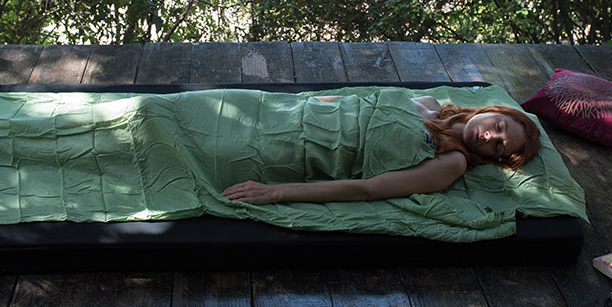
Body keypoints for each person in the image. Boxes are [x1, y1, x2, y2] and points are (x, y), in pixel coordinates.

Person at [221, 95, 541, 205]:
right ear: (494, 110)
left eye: (498, 147)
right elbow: (358, 103)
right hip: (288, 112)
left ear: (491, 159)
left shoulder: (452, 162)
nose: (488, 136)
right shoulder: (430, 104)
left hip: (298, 148)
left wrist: (274, 193)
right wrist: (296, 101)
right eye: (498, 126)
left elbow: (369, 189)